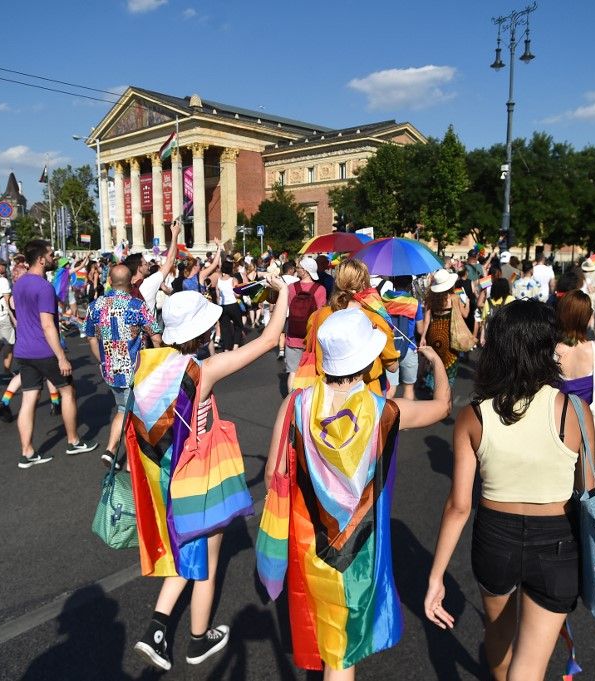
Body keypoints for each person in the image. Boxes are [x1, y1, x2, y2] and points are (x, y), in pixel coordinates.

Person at [263, 308, 451, 679]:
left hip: (310, 543)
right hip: (359, 552)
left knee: (332, 645)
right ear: (366, 361)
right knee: (342, 656)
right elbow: (444, 406)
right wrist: (436, 363)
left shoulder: (296, 405)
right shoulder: (384, 412)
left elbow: (273, 473)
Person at [423, 300, 594, 681]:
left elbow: (458, 506)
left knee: (497, 634)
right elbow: (588, 492)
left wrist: (436, 576)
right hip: (558, 540)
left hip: (495, 536)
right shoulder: (575, 411)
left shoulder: (474, 414)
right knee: (531, 664)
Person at [131, 277, 290, 672]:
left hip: (167, 475)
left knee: (188, 552)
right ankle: (198, 640)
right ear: (203, 332)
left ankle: (156, 629)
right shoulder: (203, 371)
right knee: (206, 560)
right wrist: (284, 293)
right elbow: (269, 340)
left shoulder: (153, 366)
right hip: (200, 475)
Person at [12, 239, 97, 468]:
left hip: (23, 349)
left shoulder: (19, 284)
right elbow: (48, 325)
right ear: (41, 259)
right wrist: (61, 356)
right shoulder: (43, 287)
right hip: (44, 350)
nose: (53, 258)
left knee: (28, 399)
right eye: (50, 255)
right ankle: (73, 441)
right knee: (68, 392)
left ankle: (27, 452)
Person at [294, 258, 399, 395]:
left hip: (326, 394)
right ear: (363, 282)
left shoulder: (318, 316)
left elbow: (309, 347)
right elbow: (392, 366)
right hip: (365, 396)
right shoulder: (374, 317)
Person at [85, 264, 153, 465]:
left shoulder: (95, 306)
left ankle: (125, 458)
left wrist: (102, 360)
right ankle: (116, 451)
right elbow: (155, 335)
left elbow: (90, 337)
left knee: (124, 409)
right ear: (131, 281)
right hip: (136, 369)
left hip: (111, 371)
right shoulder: (137, 305)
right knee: (131, 414)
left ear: (109, 281)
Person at [418, 268, 469, 390]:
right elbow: (465, 314)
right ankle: (445, 391)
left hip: (433, 334)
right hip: (449, 335)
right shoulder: (454, 298)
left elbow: (427, 320)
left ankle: (434, 387)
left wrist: (423, 337)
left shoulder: (430, 299)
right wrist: (467, 303)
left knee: (435, 362)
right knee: (449, 364)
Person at [284, 256, 326, 389]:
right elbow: (320, 315)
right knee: (311, 373)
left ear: (305, 271)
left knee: (293, 372)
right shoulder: (320, 289)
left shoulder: (291, 288)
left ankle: (290, 400)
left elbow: (288, 308)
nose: (297, 269)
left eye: (299, 268)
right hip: (311, 338)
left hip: (293, 334)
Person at [384, 275, 423, 400]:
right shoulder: (414, 303)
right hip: (409, 345)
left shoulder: (385, 299)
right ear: (409, 284)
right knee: (408, 387)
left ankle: (386, 417)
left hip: (390, 348)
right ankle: (407, 418)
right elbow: (420, 329)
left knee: (390, 389)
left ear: (394, 282)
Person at [580, 259, 595, 324]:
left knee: (584, 315)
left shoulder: (583, 274)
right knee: (592, 316)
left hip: (585, 296)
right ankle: (591, 331)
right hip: (594, 296)